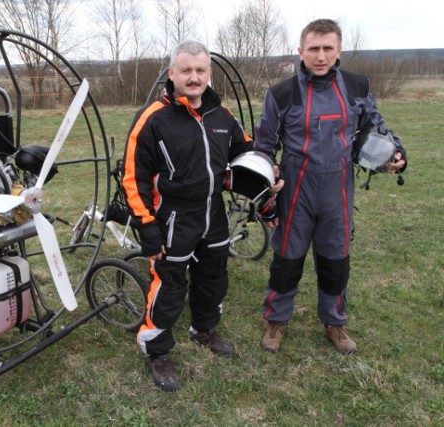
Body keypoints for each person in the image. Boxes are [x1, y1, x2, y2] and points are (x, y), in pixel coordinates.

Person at [122, 40, 280, 392]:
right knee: (168, 284)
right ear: (171, 74)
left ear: (209, 73)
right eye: (186, 71)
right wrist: (147, 225)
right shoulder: (152, 119)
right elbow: (133, 177)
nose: (194, 78)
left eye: (200, 71)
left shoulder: (221, 116)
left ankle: (203, 329)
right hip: (172, 217)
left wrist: (269, 170)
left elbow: (245, 149)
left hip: (212, 211)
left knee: (213, 277)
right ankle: (157, 350)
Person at [254, 19, 407, 355]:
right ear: (300, 51)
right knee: (287, 260)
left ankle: (335, 323)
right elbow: (264, 147)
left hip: (338, 187)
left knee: (336, 260)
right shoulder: (281, 93)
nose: (320, 56)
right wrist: (267, 193)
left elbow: (374, 129)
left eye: (327, 48)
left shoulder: (357, 86)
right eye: (313, 48)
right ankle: (276, 321)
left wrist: (395, 153)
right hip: (296, 189)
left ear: (339, 50)